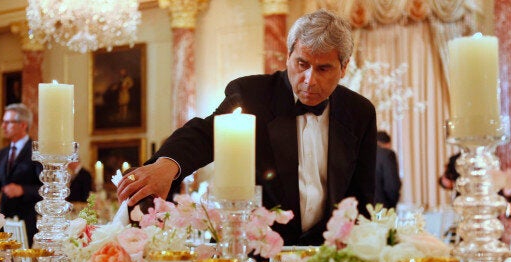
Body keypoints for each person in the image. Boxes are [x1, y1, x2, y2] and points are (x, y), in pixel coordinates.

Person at [117, 9, 377, 246]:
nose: (309, 79)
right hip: (261, 255)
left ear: (343, 67)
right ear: (288, 56)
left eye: (323, 68)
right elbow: (206, 134)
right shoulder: (254, 95)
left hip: (327, 260)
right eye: (302, 64)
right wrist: (167, 166)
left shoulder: (359, 112)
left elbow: (362, 197)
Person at [0, 103, 42, 246]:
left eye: (8, 122)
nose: (3, 126)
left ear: (23, 125)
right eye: (2, 122)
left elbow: (45, 188)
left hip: (27, 220)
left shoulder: (36, 152)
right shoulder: (2, 154)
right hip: (5, 220)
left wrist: (23, 190)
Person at [374, 131, 401, 209]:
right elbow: (392, 186)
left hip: (360, 211)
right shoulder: (387, 154)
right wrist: (392, 205)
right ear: (387, 144)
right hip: (382, 209)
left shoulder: (359, 154)